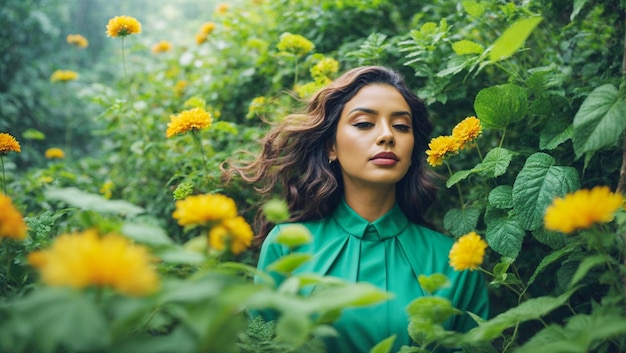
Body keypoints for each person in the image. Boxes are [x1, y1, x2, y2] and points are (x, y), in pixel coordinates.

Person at [226, 66, 489, 352]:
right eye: (364, 123)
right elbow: (261, 345)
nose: (387, 136)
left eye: (401, 126)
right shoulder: (287, 245)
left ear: (413, 152)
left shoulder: (456, 260)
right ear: (331, 147)